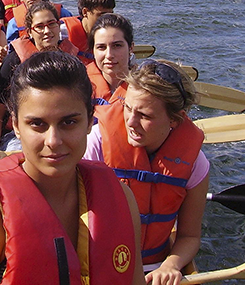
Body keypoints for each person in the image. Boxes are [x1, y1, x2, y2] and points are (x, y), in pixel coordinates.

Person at [0, 51, 145, 285]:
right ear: (17, 126)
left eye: (69, 122)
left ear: (90, 120)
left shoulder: (121, 198)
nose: (53, 140)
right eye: (37, 124)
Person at [85, 60, 209, 284]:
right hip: (99, 261)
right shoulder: (96, 143)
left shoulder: (195, 163)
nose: (131, 121)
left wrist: (172, 265)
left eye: (145, 115)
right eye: (128, 108)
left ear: (175, 119)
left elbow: (189, 236)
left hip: (155, 267)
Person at [0, 1, 79, 163]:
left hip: (63, 131)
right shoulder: (14, 61)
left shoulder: (72, 62)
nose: (47, 31)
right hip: (21, 135)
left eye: (52, 24)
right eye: (40, 27)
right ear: (30, 32)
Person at [61, 0, 116, 65]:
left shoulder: (116, 34)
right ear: (85, 12)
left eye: (110, 14)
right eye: (101, 15)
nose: (107, 20)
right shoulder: (63, 32)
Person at [88, 13, 134, 104]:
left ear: (131, 48)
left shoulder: (146, 89)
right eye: (101, 47)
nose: (109, 55)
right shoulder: (79, 87)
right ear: (93, 50)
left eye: (117, 46)